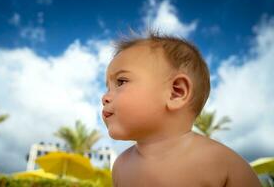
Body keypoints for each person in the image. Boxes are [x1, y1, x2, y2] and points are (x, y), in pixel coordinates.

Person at [101, 31, 261, 187]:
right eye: (107, 87)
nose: (105, 97)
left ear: (176, 92)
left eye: (121, 82)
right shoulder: (120, 166)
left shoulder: (222, 163)